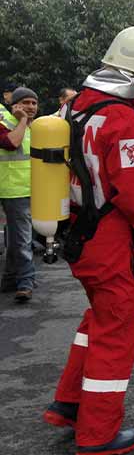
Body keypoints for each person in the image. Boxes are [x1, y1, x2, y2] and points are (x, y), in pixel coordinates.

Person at [43, 26, 134, 455]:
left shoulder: (74, 108)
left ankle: (69, 404)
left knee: (97, 319)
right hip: (113, 243)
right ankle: (98, 435)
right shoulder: (124, 122)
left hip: (80, 235)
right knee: (116, 331)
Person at [0, 87, 38, 302]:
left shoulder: (40, 127)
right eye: (25, 103)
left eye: (33, 103)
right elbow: (11, 143)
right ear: (14, 105)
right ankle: (26, 282)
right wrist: (22, 120)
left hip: (31, 189)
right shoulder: (7, 124)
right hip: (13, 189)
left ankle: (9, 278)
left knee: (17, 238)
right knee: (23, 239)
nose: (30, 107)